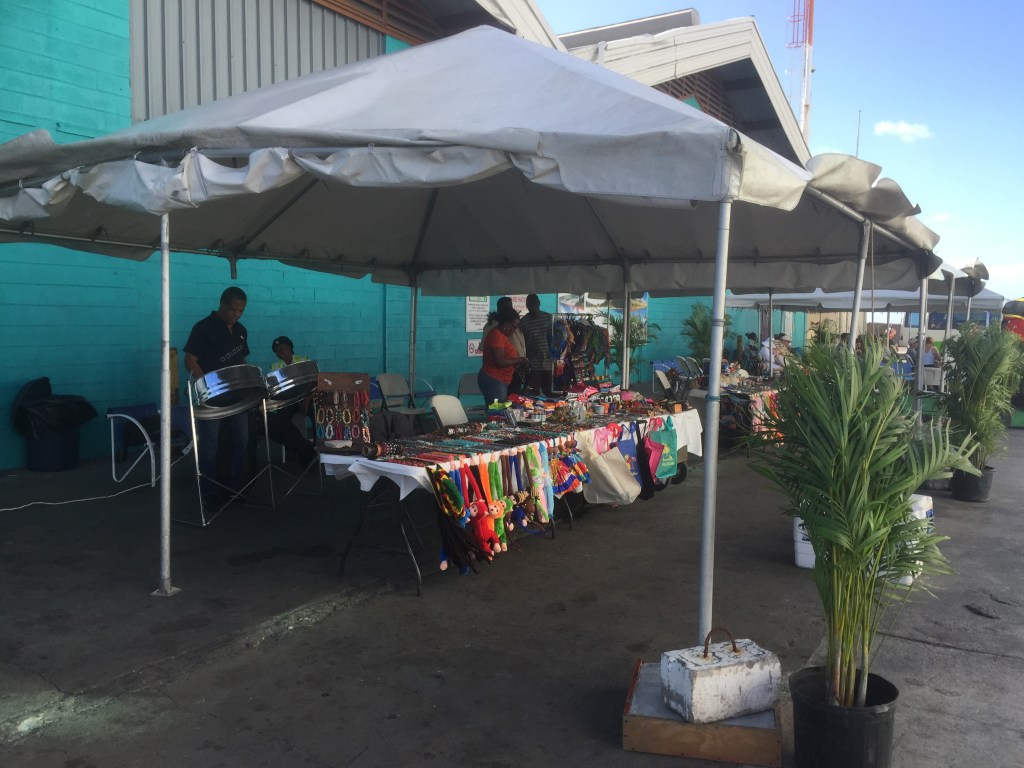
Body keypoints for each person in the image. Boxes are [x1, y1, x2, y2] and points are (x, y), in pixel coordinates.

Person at [184, 287, 252, 506]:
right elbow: (190, 361)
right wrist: (209, 386)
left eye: (241, 311)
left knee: (241, 441)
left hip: (236, 395)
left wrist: (248, 380)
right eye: (232, 309)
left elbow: (241, 360)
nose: (236, 314)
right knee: (210, 446)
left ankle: (234, 489)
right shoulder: (203, 328)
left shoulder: (241, 330)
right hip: (211, 396)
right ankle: (210, 494)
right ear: (222, 304)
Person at [266, 336, 316, 468]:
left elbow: (315, 382)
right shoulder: (274, 367)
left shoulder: (304, 360)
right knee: (281, 422)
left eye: (282, 348)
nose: (279, 352)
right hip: (288, 401)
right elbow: (274, 390)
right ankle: (295, 448)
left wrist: (307, 400)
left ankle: (316, 448)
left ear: (290, 348)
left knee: (317, 415)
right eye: (276, 350)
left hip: (307, 397)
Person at [478, 306, 528, 403]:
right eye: (514, 327)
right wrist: (520, 360)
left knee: (499, 408)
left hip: (500, 380)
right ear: (506, 324)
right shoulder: (496, 335)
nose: (514, 330)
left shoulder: (502, 336)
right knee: (497, 410)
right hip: (494, 380)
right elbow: (499, 361)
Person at [519, 294, 554, 395]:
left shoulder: (549, 318)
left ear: (539, 304)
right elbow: (522, 344)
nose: (532, 307)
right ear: (527, 306)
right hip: (533, 365)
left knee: (550, 393)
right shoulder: (523, 322)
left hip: (550, 364)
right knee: (532, 395)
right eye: (530, 304)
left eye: (534, 304)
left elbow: (558, 339)